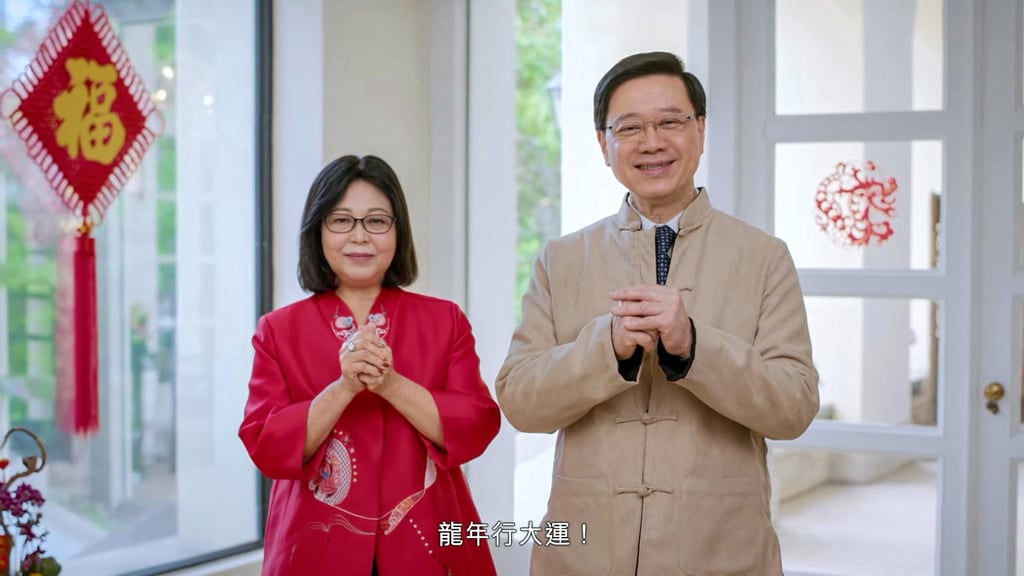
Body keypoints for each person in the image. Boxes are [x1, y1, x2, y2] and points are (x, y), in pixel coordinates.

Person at [495, 51, 820, 576]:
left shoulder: (764, 257)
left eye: (670, 121)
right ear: (603, 144)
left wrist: (694, 346)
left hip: (721, 552)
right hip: (584, 554)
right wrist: (606, 349)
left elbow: (795, 407)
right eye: (629, 127)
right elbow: (520, 402)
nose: (651, 142)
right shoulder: (561, 259)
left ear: (701, 130)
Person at [239, 154, 500, 576]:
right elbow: (266, 445)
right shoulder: (278, 330)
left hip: (427, 539)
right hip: (314, 545)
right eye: (341, 221)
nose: (359, 236)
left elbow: (477, 424)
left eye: (376, 221)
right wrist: (343, 387)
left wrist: (391, 383)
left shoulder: (444, 320)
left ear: (398, 231)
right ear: (317, 230)